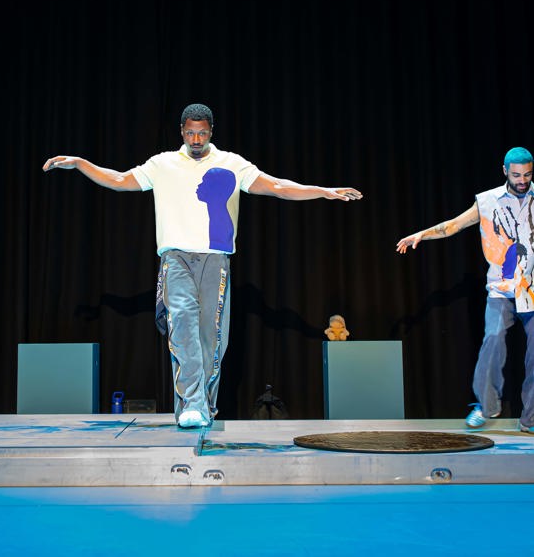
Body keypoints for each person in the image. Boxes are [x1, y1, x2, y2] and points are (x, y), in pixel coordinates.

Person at [43, 103, 362, 428]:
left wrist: (324, 192)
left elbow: (277, 186)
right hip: (176, 258)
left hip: (215, 259)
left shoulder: (231, 163)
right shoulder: (162, 164)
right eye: (190, 133)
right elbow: (120, 179)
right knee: (182, 325)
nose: (196, 139)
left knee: (211, 337)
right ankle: (192, 403)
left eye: (202, 133)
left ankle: (204, 405)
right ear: (182, 131)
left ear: (211, 132)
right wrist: (80, 163)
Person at [396, 147, 534, 433]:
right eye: (516, 175)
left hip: (532, 289)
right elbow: (454, 225)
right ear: (505, 171)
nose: (522, 180)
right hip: (501, 289)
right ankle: (486, 406)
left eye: (527, 175)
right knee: (493, 340)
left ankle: (530, 419)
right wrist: (422, 234)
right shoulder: (488, 201)